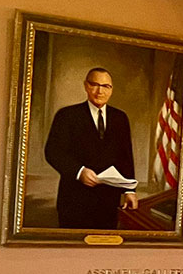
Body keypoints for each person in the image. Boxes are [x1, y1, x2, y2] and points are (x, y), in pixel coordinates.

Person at [43, 67, 139, 229]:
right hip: (74, 199)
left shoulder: (120, 118)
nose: (99, 91)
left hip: (109, 200)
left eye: (105, 86)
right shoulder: (67, 115)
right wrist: (79, 172)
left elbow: (125, 156)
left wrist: (129, 190)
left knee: (103, 250)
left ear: (111, 90)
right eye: (94, 84)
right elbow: (53, 152)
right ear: (86, 86)